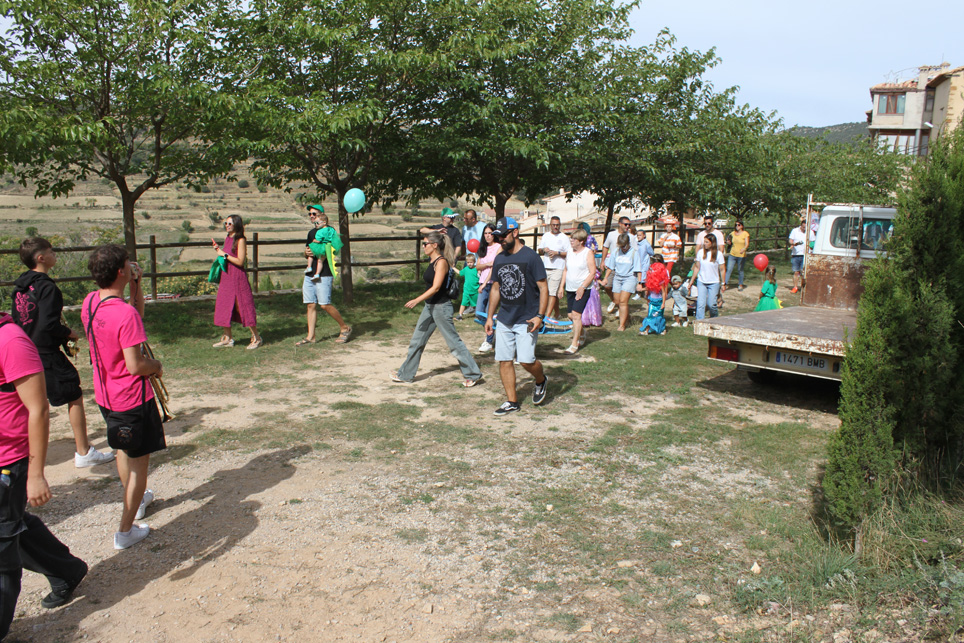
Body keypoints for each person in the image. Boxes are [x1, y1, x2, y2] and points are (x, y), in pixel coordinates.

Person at [0, 312, 89, 636]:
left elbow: (37, 409)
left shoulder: (10, 341)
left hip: (8, 462)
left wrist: (36, 473)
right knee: (10, 524)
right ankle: (65, 569)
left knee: (2, 547)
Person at [81, 244, 165, 550]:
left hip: (106, 396)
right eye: (128, 264)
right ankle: (125, 531)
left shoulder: (91, 302)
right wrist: (156, 366)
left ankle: (136, 500)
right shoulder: (123, 313)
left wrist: (136, 286)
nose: (132, 266)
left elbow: (133, 320)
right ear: (120, 271)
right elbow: (136, 365)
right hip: (132, 399)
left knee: (122, 451)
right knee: (139, 466)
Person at [11, 237, 115, 468]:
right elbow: (49, 324)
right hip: (44, 352)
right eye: (51, 251)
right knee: (73, 394)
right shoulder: (47, 287)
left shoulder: (19, 288)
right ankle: (84, 452)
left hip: (22, 350)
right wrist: (69, 333)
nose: (54, 254)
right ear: (41, 258)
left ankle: (22, 454)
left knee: (31, 404)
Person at [392, 232, 482, 386]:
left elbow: (436, 287)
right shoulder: (432, 260)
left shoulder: (441, 262)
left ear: (434, 245)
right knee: (417, 341)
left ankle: (473, 374)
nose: (423, 246)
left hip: (441, 308)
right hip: (430, 307)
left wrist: (417, 300)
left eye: (425, 244)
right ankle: (406, 374)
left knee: (454, 343)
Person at [484, 217, 549, 416]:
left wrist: (540, 316)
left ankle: (541, 380)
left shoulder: (531, 257)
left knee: (526, 360)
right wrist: (490, 317)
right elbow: (496, 288)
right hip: (505, 317)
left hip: (527, 318)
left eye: (503, 235)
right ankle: (512, 401)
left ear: (515, 232)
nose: (500, 240)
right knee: (504, 360)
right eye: (498, 236)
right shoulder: (500, 258)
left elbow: (543, 288)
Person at [298, 206, 352, 345]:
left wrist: (323, 251)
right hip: (310, 273)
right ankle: (311, 336)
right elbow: (308, 251)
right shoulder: (311, 233)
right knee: (310, 304)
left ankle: (344, 327)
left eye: (314, 214)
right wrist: (306, 253)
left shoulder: (330, 231)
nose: (311, 216)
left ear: (321, 216)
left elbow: (335, 250)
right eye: (310, 214)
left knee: (324, 304)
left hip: (324, 273)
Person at [212, 215, 262, 349]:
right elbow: (227, 255)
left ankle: (256, 338)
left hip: (237, 277)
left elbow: (240, 261)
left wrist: (223, 254)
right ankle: (227, 338)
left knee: (243, 306)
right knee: (224, 305)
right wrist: (219, 251)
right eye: (225, 223)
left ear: (237, 225)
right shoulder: (228, 238)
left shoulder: (240, 240)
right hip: (226, 277)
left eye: (230, 223)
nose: (227, 226)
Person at [560, 228, 597, 352]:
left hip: (583, 288)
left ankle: (574, 344)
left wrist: (583, 287)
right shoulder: (569, 252)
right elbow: (565, 270)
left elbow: (592, 272)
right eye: (571, 238)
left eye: (574, 239)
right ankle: (582, 332)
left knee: (576, 315)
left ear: (581, 241)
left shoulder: (588, 253)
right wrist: (561, 287)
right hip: (570, 288)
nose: (571, 241)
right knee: (570, 315)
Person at [601, 233, 642, 332]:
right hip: (618, 278)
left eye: (624, 246)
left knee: (623, 301)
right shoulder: (616, 252)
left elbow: (638, 270)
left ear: (628, 243)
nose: (622, 248)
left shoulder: (634, 253)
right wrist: (605, 278)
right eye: (621, 246)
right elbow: (610, 267)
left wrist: (640, 283)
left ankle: (622, 325)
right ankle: (627, 317)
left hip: (629, 278)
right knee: (617, 301)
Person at [600, 216, 637, 313]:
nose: (627, 226)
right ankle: (615, 302)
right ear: (619, 224)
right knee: (607, 286)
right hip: (613, 265)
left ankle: (621, 307)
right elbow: (605, 247)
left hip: (626, 268)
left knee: (623, 291)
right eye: (626, 224)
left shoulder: (631, 237)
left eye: (629, 225)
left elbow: (635, 252)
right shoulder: (611, 234)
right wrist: (603, 261)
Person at [475, 224, 501, 352]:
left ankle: (489, 340)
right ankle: (492, 334)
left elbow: (494, 267)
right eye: (485, 233)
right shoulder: (483, 248)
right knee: (479, 313)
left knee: (488, 313)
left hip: (492, 284)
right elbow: (478, 266)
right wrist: (487, 264)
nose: (487, 236)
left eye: (490, 233)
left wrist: (485, 283)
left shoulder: (498, 247)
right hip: (482, 283)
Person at [537, 216, 569, 320]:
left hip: (558, 267)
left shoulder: (564, 237)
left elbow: (568, 253)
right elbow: (539, 250)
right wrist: (544, 250)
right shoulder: (546, 236)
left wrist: (557, 253)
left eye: (557, 225)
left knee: (552, 292)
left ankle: (547, 317)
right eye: (554, 225)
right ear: (550, 225)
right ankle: (557, 313)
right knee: (549, 291)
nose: (555, 227)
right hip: (546, 267)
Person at [688, 234, 725, 320]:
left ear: (712, 243)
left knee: (711, 304)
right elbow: (697, 267)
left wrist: (723, 283)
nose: (704, 244)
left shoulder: (719, 254)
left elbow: (722, 269)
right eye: (704, 241)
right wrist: (691, 281)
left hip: (714, 282)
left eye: (706, 242)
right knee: (700, 304)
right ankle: (699, 322)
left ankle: (714, 319)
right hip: (702, 282)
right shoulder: (700, 253)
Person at [639, 256, 670, 335]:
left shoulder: (661, 281)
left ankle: (662, 329)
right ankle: (647, 330)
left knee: (659, 316)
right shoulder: (651, 279)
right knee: (650, 315)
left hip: (659, 301)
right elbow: (649, 288)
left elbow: (663, 292)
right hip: (652, 300)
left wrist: (663, 303)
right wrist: (646, 296)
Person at [724, 220, 750, 291]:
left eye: (739, 225)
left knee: (740, 270)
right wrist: (728, 242)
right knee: (729, 269)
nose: (737, 226)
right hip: (732, 254)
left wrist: (744, 249)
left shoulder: (745, 234)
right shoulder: (732, 233)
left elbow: (747, 244)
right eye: (736, 225)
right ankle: (725, 284)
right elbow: (728, 239)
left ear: (742, 226)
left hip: (741, 255)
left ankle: (740, 284)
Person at [457, 254, 479, 321]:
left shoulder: (477, 269)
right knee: (463, 302)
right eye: (468, 262)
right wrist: (453, 267)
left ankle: (478, 315)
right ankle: (460, 315)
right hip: (466, 290)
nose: (469, 264)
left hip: (475, 290)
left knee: (476, 304)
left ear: (474, 261)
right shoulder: (466, 269)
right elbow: (460, 273)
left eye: (471, 262)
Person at [789, 217, 807, 294]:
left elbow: (812, 242)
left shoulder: (810, 232)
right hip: (796, 254)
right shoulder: (795, 231)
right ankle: (795, 287)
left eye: (805, 227)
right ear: (801, 225)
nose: (804, 229)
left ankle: (803, 288)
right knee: (796, 272)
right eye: (803, 227)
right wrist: (793, 243)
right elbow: (790, 240)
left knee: (804, 272)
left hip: (805, 255)